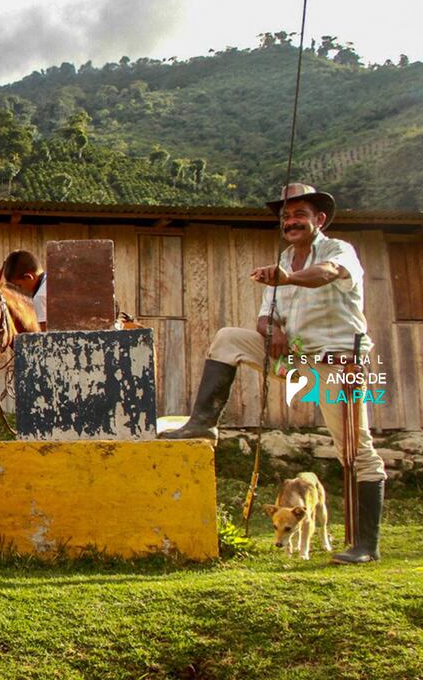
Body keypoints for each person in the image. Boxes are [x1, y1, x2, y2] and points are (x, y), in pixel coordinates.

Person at [160, 183, 386, 564]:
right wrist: (271, 329)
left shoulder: (337, 250)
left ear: (319, 220)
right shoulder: (283, 258)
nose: (291, 221)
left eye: (299, 215)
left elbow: (327, 273)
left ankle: (366, 546)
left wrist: (287, 278)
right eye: (286, 216)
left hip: (337, 362)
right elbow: (265, 315)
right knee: (229, 338)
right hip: (295, 358)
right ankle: (203, 422)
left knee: (355, 450)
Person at [3, 250, 47, 331]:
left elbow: (45, 335)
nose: (20, 290)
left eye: (19, 286)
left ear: (28, 277)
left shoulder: (40, 296)